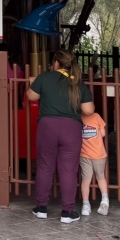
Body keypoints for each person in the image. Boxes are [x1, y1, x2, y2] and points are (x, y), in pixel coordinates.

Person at [26, 49, 94, 224]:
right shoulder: (78, 83)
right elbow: (88, 110)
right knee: (69, 170)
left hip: (47, 126)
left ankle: (41, 209)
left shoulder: (45, 77)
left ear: (56, 63)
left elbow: (30, 96)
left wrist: (34, 83)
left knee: (45, 166)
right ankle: (67, 212)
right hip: (71, 129)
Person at [79, 110, 109, 216]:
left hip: (84, 154)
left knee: (86, 180)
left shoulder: (78, 117)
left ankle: (86, 205)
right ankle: (105, 199)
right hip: (98, 153)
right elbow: (103, 134)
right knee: (100, 177)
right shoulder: (96, 116)